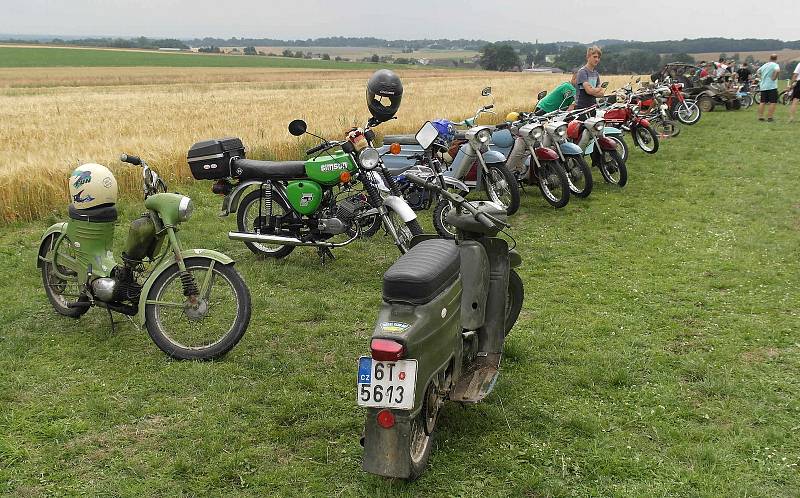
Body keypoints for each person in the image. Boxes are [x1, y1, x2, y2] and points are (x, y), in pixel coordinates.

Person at [575, 46, 604, 112]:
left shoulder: (596, 73)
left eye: (598, 57)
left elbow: (602, 94)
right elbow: (589, 91)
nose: (597, 59)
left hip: (593, 107)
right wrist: (598, 89)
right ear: (588, 57)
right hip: (582, 108)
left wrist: (592, 90)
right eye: (594, 57)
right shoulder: (582, 72)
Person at [757, 54, 781, 122]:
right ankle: (770, 117)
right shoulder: (775, 65)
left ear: (770, 58)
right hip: (771, 86)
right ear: (776, 59)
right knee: (773, 102)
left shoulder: (765, 65)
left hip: (763, 86)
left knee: (762, 102)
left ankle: (760, 116)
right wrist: (774, 77)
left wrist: (761, 77)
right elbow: (778, 70)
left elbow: (757, 71)